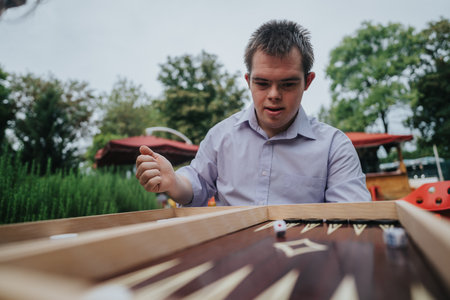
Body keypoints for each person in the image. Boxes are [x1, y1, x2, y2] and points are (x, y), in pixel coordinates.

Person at [136, 20, 371, 206]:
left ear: (307, 81)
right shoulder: (221, 136)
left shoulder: (334, 146)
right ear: (248, 81)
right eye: (262, 83)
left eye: (288, 84)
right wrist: (173, 182)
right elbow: (195, 187)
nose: (274, 95)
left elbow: (354, 217)